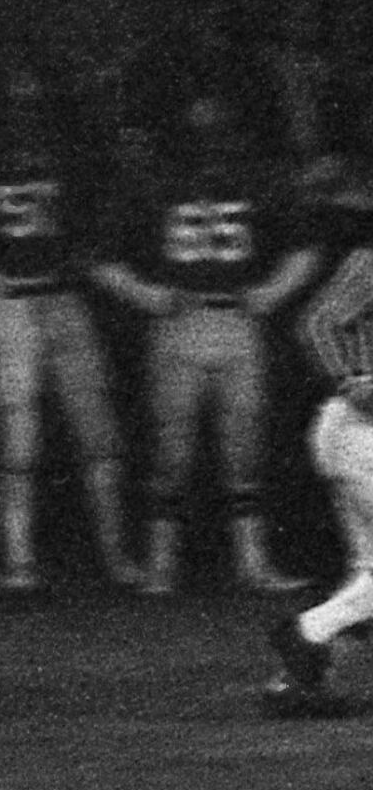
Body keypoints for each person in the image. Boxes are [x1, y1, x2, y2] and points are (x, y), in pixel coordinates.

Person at [0, 80, 144, 593]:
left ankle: (114, 556)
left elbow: (90, 246)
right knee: (21, 440)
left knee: (97, 436)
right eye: (17, 111)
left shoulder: (67, 170)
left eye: (33, 110)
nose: (25, 121)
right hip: (12, 303)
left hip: (61, 302)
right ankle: (20, 561)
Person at [94, 90, 322, 596]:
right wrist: (146, 294)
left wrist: (270, 293)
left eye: (218, 129)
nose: (210, 141)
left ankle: (252, 561)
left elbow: (305, 248)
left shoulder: (260, 181)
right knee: (171, 450)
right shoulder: (153, 185)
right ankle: (161, 563)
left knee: (245, 449)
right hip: (180, 323)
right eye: (200, 130)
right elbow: (101, 258)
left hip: (236, 322)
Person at [259, 234, 373, 716]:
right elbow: (319, 322)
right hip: (358, 430)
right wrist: (351, 380)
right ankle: (307, 635)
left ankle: (304, 665)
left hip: (351, 435)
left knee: (369, 573)